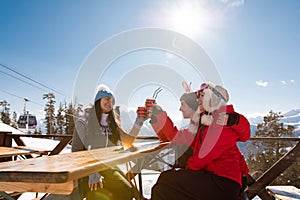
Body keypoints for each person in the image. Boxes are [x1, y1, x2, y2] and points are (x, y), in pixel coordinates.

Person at [148, 83, 250, 200]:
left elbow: (203, 157)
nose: (198, 99)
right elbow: (176, 137)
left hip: (224, 183)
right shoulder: (204, 124)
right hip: (214, 177)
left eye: (202, 96)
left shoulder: (221, 123)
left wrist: (185, 172)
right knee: (166, 180)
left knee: (167, 185)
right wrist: (159, 116)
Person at [71, 84, 144, 200]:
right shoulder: (84, 121)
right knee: (98, 195)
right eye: (107, 99)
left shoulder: (111, 123)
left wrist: (139, 121)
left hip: (107, 168)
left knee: (127, 192)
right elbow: (75, 153)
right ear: (98, 100)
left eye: (112, 101)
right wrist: (92, 172)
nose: (110, 103)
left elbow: (128, 141)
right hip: (86, 172)